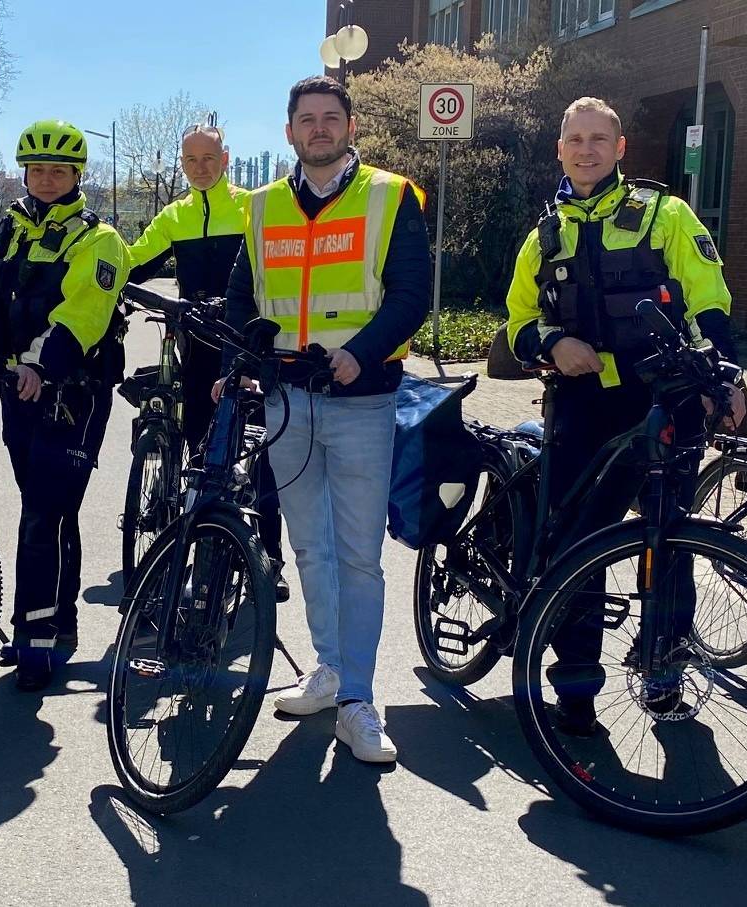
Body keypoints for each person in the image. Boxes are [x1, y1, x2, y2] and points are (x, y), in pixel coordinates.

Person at [503, 97, 746, 737]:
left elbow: (710, 303)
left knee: (670, 538)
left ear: (619, 149)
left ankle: (664, 670)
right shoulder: (544, 235)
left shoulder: (665, 216)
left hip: (666, 400)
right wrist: (554, 343)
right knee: (578, 544)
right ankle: (576, 691)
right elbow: (519, 320)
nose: (586, 150)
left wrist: (723, 378)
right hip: (584, 405)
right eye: (575, 140)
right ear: (560, 150)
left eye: (598, 140)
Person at [224, 76, 431, 764]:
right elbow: (241, 295)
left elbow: (411, 295)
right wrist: (240, 359)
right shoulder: (261, 207)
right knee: (310, 547)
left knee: (358, 555)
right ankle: (329, 668)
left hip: (361, 399)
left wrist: (360, 354)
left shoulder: (390, 196)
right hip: (288, 399)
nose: (319, 128)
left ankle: (358, 701)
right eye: (307, 119)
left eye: (330, 117)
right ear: (289, 132)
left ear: (350, 126)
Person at [0, 119, 129, 691]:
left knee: (45, 511)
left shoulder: (99, 239)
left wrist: (40, 364)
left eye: (57, 171)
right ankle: (55, 625)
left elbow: (83, 315)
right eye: (36, 170)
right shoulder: (13, 228)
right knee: (45, 511)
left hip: (73, 394)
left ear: (76, 175)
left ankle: (36, 640)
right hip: (19, 391)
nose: (45, 180)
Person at [125, 123, 285, 598]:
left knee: (259, 456)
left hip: (247, 346)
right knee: (199, 448)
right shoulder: (175, 216)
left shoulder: (251, 207)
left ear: (225, 159)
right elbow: (134, 262)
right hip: (195, 347)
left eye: (209, 159)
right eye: (191, 160)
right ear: (182, 164)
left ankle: (269, 557)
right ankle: (202, 547)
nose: (200, 168)